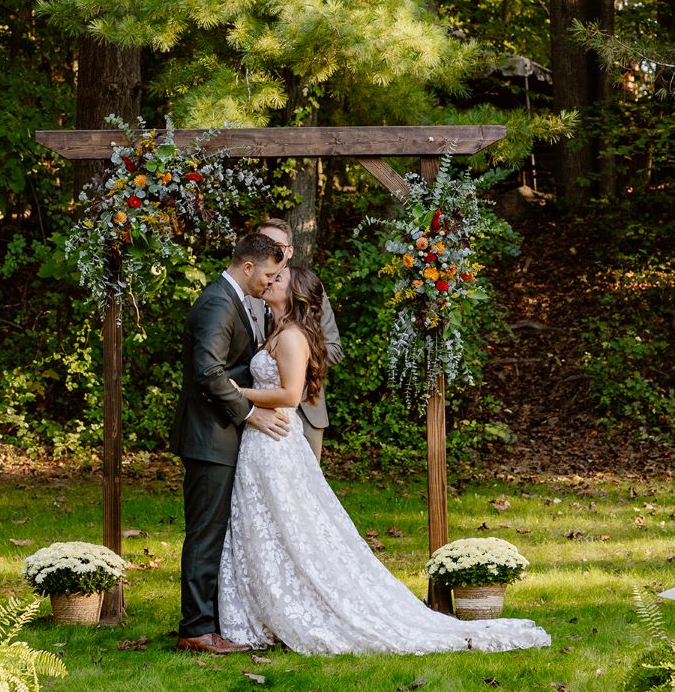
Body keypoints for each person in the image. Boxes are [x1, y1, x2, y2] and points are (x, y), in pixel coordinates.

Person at [218, 265, 551, 656]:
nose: (270, 281)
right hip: (263, 443)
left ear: (294, 296)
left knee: (290, 527)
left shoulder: (291, 337)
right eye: (271, 278)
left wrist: (241, 392)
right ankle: (264, 610)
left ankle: (300, 607)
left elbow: (290, 396)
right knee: (266, 527)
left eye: (279, 280)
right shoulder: (275, 331)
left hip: (275, 443)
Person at [170, 232, 289, 655]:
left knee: (217, 531)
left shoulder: (236, 298)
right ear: (249, 266)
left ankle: (211, 619)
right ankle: (197, 629)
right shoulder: (219, 301)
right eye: (269, 274)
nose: (269, 283)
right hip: (208, 436)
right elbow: (208, 373)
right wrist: (251, 413)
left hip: (221, 436)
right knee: (206, 531)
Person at [248, 218, 342, 461]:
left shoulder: (308, 289)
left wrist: (292, 358)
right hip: (256, 408)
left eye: (278, 245)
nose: (272, 251)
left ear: (289, 251)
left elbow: (334, 348)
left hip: (306, 408)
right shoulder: (247, 291)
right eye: (265, 243)